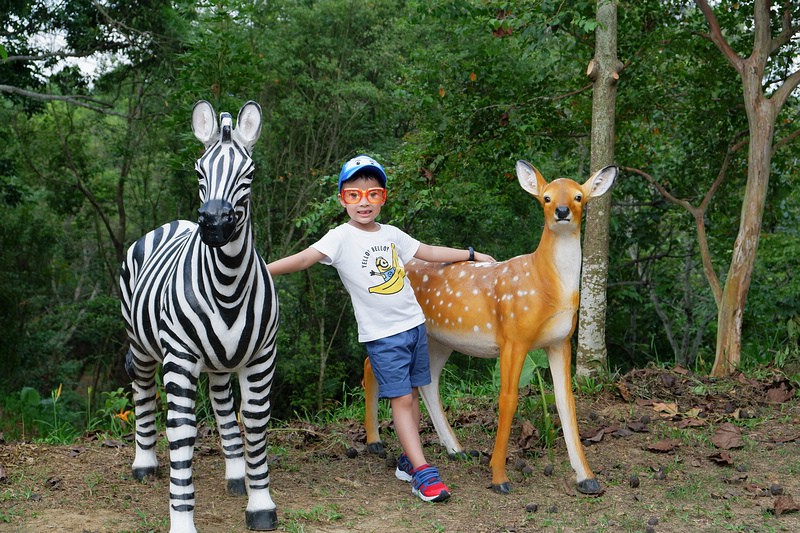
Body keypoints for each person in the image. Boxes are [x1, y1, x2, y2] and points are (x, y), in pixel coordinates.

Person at [268, 155, 495, 503]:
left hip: (414, 327)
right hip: (382, 336)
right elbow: (303, 259)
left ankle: (408, 459)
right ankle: (422, 471)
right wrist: (262, 270)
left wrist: (471, 254)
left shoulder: (391, 234)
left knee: (413, 394)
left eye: (372, 194)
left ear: (382, 198)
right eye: (354, 195)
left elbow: (428, 252)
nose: (364, 203)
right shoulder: (339, 238)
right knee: (401, 399)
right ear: (342, 199)